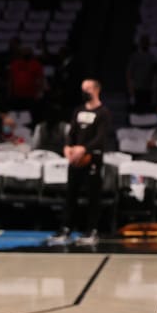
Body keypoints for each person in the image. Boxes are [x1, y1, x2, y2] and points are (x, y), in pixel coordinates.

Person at [48, 79, 111, 247]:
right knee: (70, 195)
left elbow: (100, 137)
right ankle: (66, 228)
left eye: (88, 89)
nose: (84, 92)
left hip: (92, 159)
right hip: (74, 159)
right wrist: (68, 147)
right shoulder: (78, 110)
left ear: (96, 90)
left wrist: (84, 148)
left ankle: (92, 230)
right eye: (83, 89)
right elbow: (72, 132)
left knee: (92, 196)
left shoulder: (103, 112)